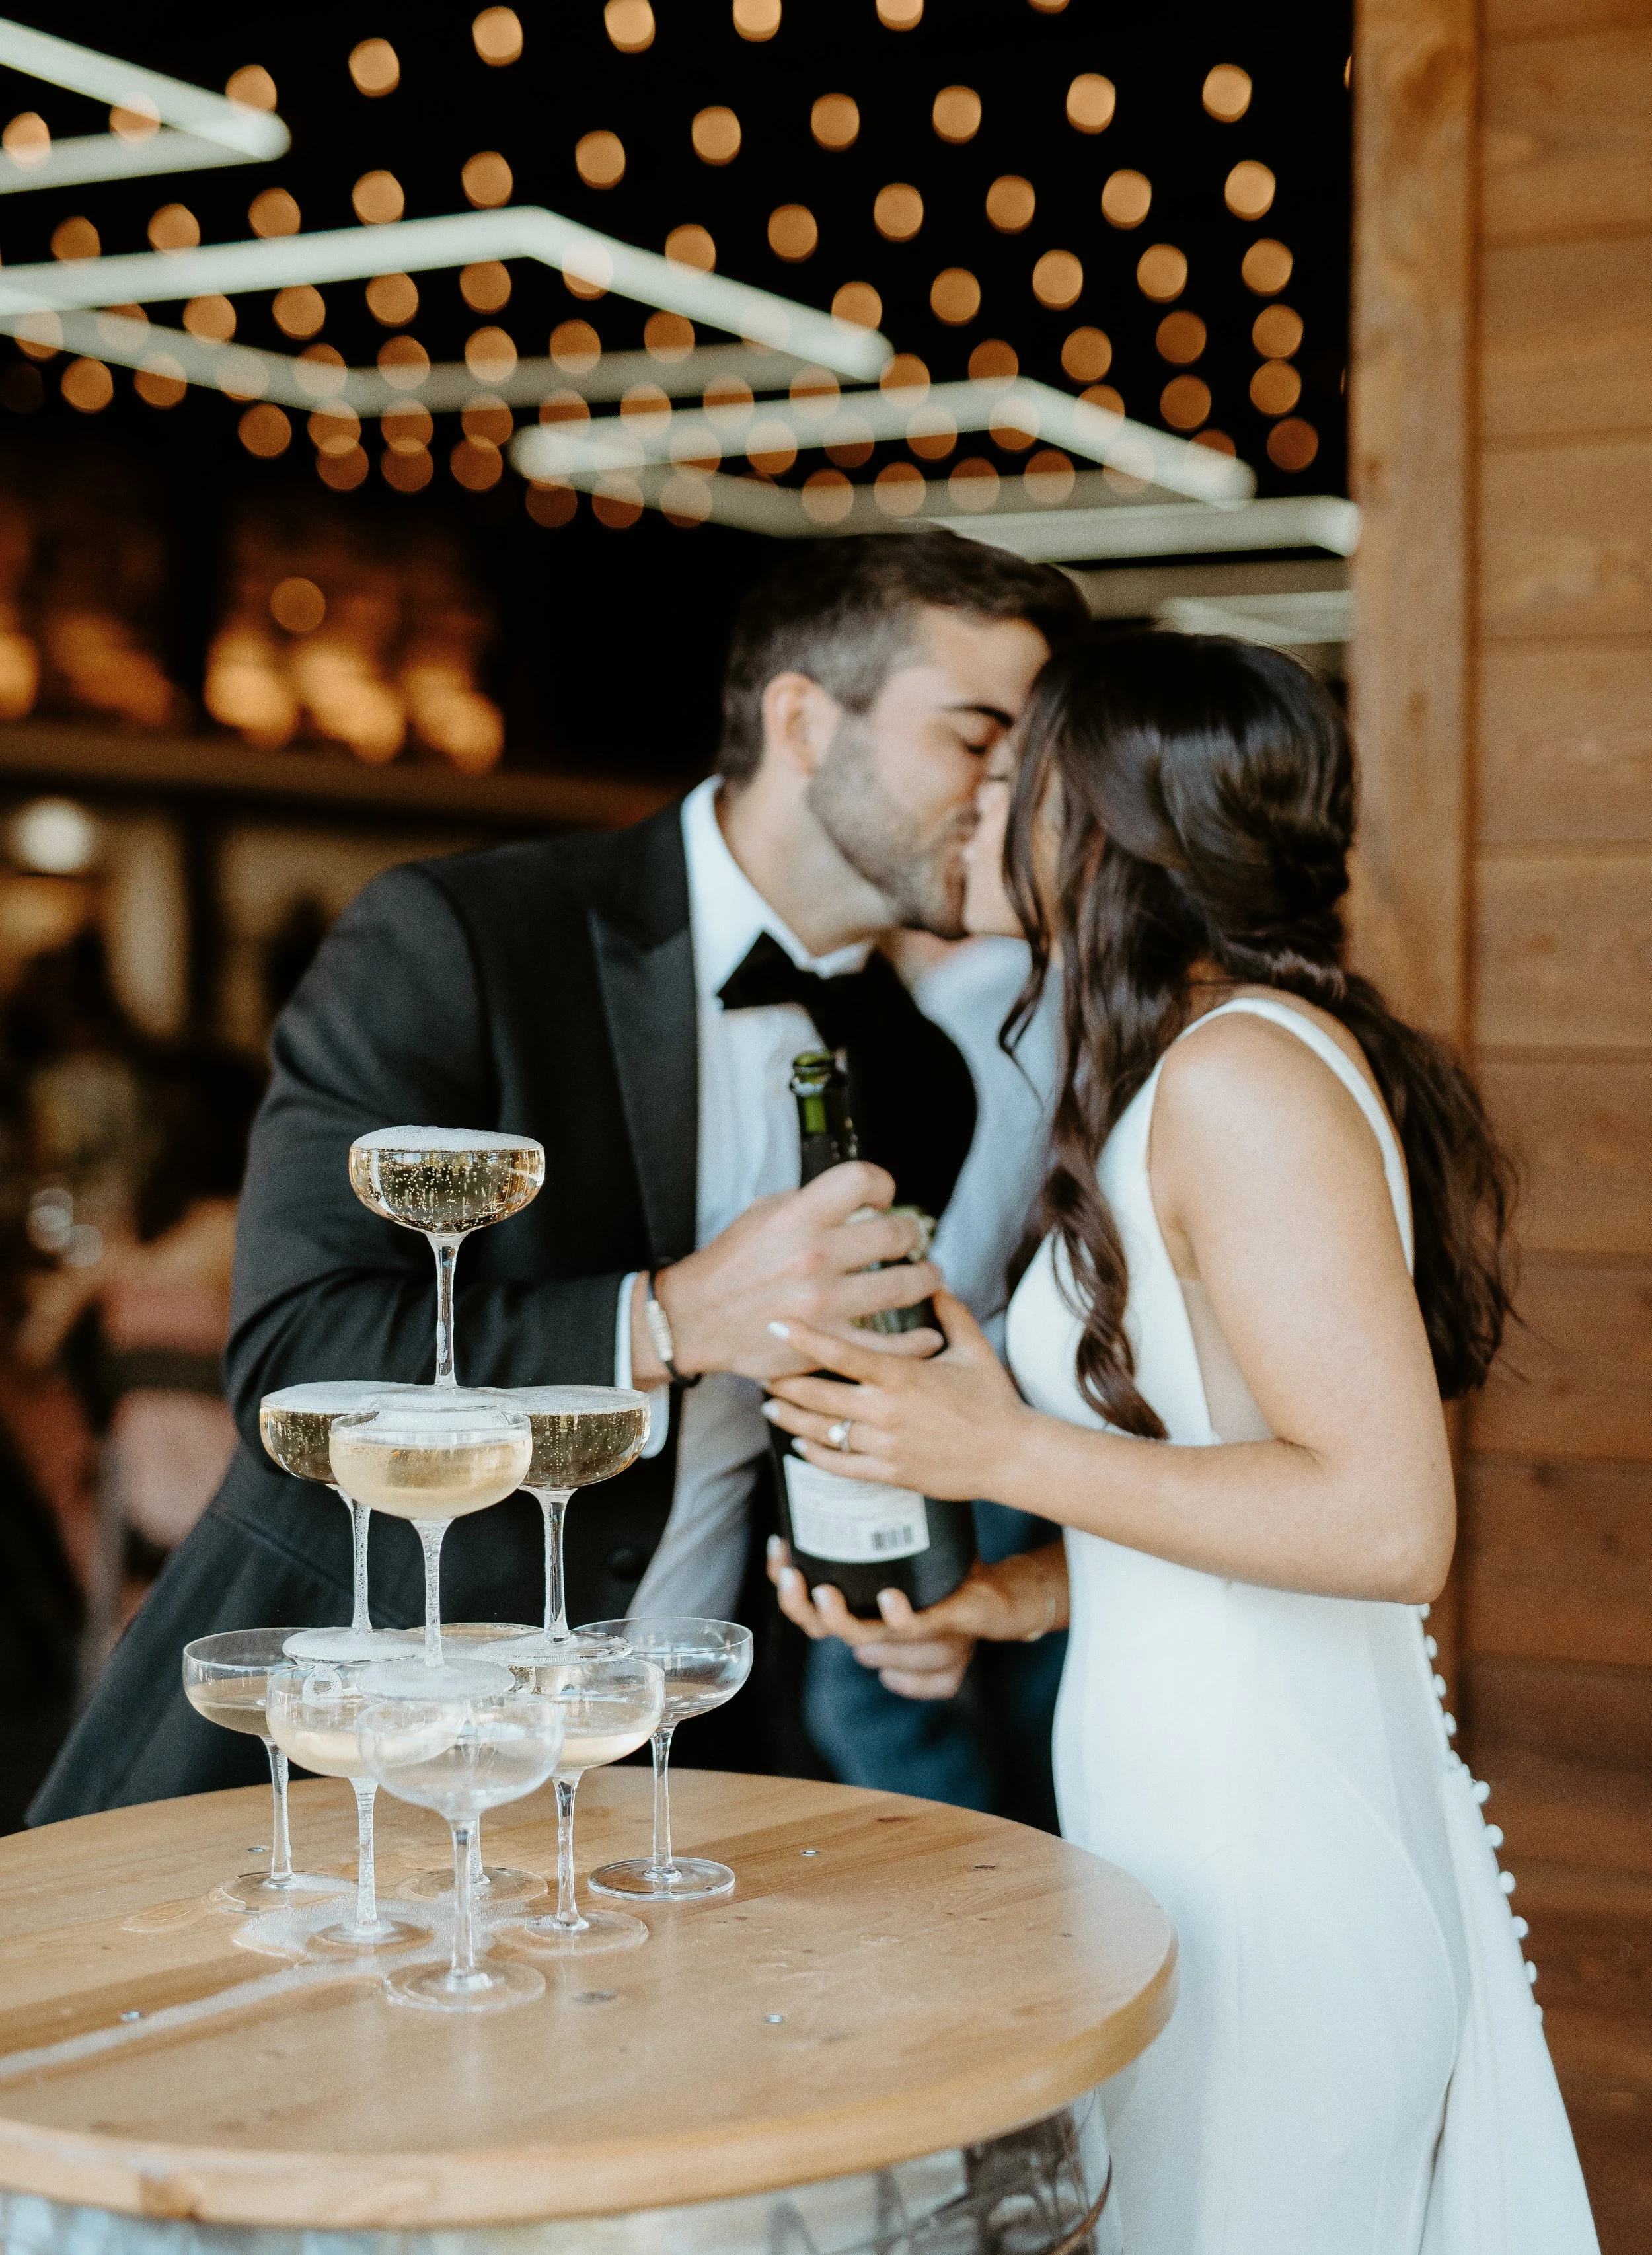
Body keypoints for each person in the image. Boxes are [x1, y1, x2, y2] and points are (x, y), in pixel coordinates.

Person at [30, 529, 1086, 1824]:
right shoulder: (460, 940)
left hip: (671, 1774)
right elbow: (300, 1356)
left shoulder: (923, 1071)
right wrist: (664, 1319)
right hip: (338, 1746)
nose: (1013, 791)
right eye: (976, 737)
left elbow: (814, 1427)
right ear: (805, 720)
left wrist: (902, 1594)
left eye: (1030, 755)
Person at [765, 630, 1598, 2252]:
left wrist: (989, 1452)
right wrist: (1006, 1599)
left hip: (1273, 1865)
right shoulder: (1186, 1064)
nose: (977, 800)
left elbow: (1375, 1525)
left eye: (1016, 770)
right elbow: (1233, 1498)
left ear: (1109, 816)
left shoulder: (1239, 1078)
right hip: (1191, 1837)